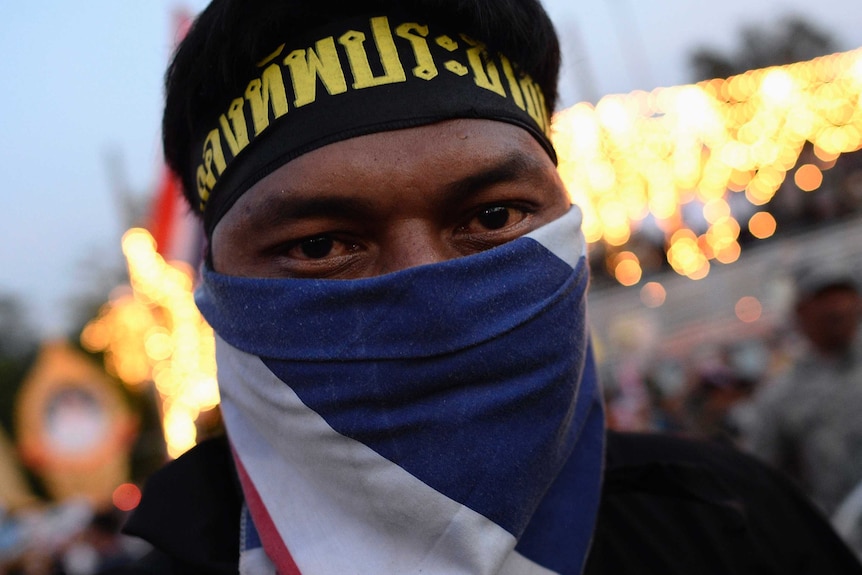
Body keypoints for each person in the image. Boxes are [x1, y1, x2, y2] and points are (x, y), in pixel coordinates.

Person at [108, 0, 862, 573]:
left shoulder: (736, 528)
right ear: (216, 290)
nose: (431, 291)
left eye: (493, 216)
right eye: (319, 245)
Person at [744, 261, 862, 517]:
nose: (838, 307)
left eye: (844, 295)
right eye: (823, 298)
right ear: (800, 311)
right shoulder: (780, 397)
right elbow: (764, 482)